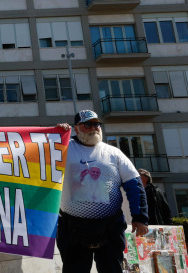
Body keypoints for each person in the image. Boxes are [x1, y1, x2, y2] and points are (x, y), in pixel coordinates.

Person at [57, 109, 148, 273]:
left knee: (112, 270)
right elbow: (36, 156)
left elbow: (134, 184)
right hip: (73, 229)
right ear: (76, 127)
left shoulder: (113, 153)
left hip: (110, 228)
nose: (94, 128)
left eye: (97, 124)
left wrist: (140, 217)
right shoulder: (61, 149)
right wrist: (55, 135)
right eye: (88, 124)